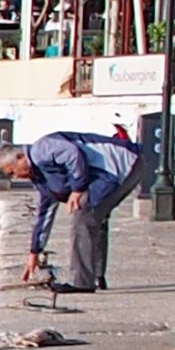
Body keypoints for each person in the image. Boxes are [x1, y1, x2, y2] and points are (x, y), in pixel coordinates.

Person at [27, 124, 144, 291]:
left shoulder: (40, 150)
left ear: (19, 157)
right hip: (129, 164)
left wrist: (77, 188)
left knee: (83, 211)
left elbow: (72, 153)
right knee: (95, 216)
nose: (15, 176)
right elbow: (44, 214)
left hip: (122, 162)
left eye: (11, 172)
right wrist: (35, 250)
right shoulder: (42, 178)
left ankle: (81, 282)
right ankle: (96, 276)